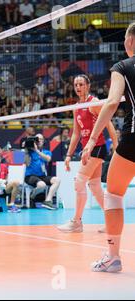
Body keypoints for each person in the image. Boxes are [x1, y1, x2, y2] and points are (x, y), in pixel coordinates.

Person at [81, 23, 135, 272]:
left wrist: (92, 139)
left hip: (133, 140)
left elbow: (113, 101)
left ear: (131, 42)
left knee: (113, 193)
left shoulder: (122, 67)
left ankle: (113, 257)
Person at [58, 75, 118, 233]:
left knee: (79, 182)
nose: (78, 87)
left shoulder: (94, 103)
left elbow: (109, 124)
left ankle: (76, 222)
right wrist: (69, 155)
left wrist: (116, 146)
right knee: (95, 186)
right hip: (86, 149)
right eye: (76, 84)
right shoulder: (76, 107)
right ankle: (113, 220)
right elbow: (76, 134)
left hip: (97, 148)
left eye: (81, 84)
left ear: (88, 86)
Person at [24, 133, 61, 210]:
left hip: (42, 176)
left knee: (57, 180)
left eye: (41, 139)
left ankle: (48, 200)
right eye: (37, 139)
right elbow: (27, 164)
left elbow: (48, 159)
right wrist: (26, 151)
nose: (39, 141)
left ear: (44, 141)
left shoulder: (47, 152)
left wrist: (37, 151)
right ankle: (32, 196)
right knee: (42, 185)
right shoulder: (29, 152)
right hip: (30, 176)